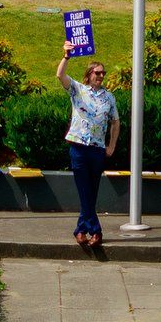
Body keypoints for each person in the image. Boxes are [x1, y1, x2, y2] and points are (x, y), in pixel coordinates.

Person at [56, 54, 120, 253]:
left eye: (103, 73)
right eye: (97, 72)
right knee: (84, 189)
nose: (101, 76)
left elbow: (115, 122)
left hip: (97, 149)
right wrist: (66, 56)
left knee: (91, 190)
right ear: (89, 74)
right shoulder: (78, 89)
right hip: (79, 147)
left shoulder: (109, 97)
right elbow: (60, 75)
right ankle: (96, 230)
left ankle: (80, 229)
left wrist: (111, 146)